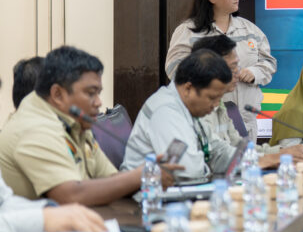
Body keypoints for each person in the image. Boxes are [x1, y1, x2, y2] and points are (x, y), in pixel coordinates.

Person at [0, 46, 181, 204]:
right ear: (57, 95)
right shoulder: (34, 128)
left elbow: (111, 180)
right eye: (90, 93)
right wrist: (139, 175)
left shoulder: (75, 122)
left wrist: (151, 175)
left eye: (98, 93)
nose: (98, 102)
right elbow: (70, 195)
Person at [165, 0, 276, 140]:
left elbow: (269, 63)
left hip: (247, 120)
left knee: (246, 156)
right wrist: (211, 76)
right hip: (208, 118)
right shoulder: (188, 31)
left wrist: (254, 73)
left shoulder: (250, 30)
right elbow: (174, 69)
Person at [0, 74, 104, 232]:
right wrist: (43, 219)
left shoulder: (75, 126)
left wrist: (51, 210)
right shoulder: (30, 131)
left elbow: (5, 201)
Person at [124, 49, 240, 183]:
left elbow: (216, 150)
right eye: (212, 98)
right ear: (188, 88)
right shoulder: (166, 111)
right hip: (144, 193)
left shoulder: (188, 108)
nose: (215, 105)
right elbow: (187, 171)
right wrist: (208, 168)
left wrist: (250, 160)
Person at [192, 35, 303, 167]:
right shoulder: (198, 110)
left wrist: (281, 152)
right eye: (233, 66)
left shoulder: (220, 106)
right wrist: (271, 159)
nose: (238, 72)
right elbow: (217, 157)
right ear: (211, 68)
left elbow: (239, 146)